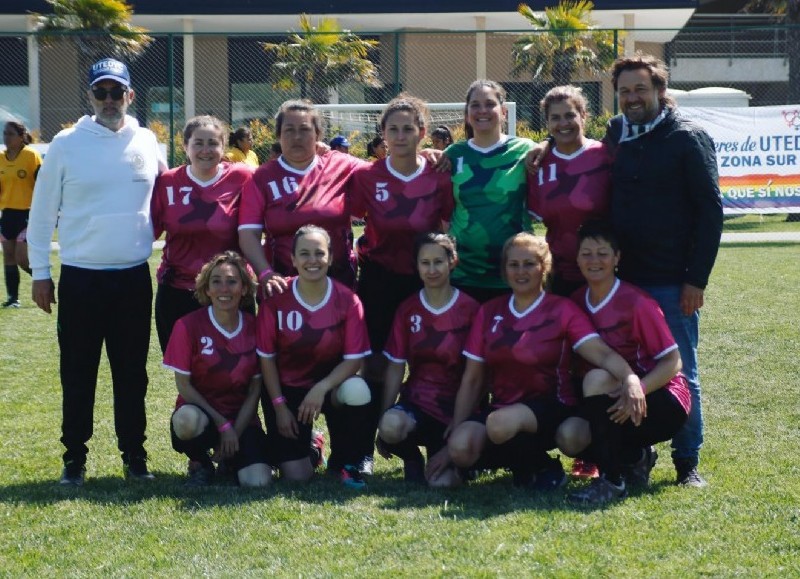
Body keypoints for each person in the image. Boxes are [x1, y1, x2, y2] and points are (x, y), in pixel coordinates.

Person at [27, 57, 166, 486]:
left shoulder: (146, 140)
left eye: (116, 91)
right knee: (78, 371)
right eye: (100, 92)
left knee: (132, 373)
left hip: (131, 277)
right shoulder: (67, 144)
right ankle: (75, 458)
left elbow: (167, 201)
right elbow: (41, 212)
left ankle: (135, 456)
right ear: (90, 96)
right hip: (81, 277)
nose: (109, 100)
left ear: (130, 95)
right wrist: (39, 272)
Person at [440, 233, 644, 489]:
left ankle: (541, 468)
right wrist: (454, 431)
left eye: (529, 264)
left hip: (555, 407)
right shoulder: (489, 311)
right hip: (504, 409)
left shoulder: (562, 309)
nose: (521, 271)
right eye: (514, 264)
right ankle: (536, 466)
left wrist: (629, 377)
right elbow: (472, 379)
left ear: (544, 267)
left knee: (510, 425)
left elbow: (600, 352)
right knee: (462, 447)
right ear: (504, 269)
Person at [607, 54, 722, 487]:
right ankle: (637, 451)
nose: (632, 98)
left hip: (673, 282)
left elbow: (711, 213)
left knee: (680, 370)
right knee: (628, 368)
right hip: (622, 282)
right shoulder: (617, 133)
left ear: (659, 90)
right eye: (624, 91)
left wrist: (697, 279)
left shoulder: (688, 137)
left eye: (640, 89)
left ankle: (687, 462)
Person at [348, 93, 454, 476]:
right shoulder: (365, 176)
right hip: (378, 279)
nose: (401, 135)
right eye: (393, 128)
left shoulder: (439, 174)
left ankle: (436, 438)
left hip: (426, 279)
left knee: (433, 359)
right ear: (383, 135)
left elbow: (446, 224)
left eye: (409, 128)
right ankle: (366, 449)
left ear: (422, 132)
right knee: (375, 365)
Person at [568, 220, 690, 504]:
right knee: (570, 436)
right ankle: (636, 457)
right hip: (614, 393)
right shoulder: (575, 301)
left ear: (617, 258)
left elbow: (673, 361)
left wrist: (639, 388)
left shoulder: (636, 302)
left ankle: (611, 482)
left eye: (602, 253)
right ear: (576, 258)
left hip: (662, 396)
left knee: (596, 380)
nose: (594, 260)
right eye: (586, 253)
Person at [256, 225, 372, 488]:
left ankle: (345, 460)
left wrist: (321, 387)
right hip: (288, 391)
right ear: (293, 259)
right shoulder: (275, 299)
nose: (312, 260)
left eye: (319, 253)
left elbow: (354, 360)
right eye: (304, 254)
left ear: (330, 258)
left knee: (358, 389)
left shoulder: (348, 300)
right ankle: (311, 445)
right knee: (297, 476)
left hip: (330, 388)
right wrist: (279, 406)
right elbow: (267, 359)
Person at [378, 232, 479, 486]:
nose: (432, 269)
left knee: (441, 485)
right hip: (418, 405)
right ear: (417, 266)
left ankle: (460, 460)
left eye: (438, 262)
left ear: (452, 261)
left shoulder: (472, 310)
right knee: (391, 425)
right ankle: (412, 459)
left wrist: (459, 422)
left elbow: (477, 377)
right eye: (425, 263)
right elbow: (395, 368)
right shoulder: (407, 309)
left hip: (457, 410)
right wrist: (382, 419)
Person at [164, 252, 271, 487]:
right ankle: (200, 462)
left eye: (232, 281)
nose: (224, 288)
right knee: (185, 420)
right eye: (216, 282)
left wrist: (234, 430)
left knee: (259, 481)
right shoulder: (187, 326)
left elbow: (254, 390)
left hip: (241, 418)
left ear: (244, 289)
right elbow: (184, 385)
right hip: (203, 415)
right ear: (207, 289)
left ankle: (230, 459)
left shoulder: (255, 327)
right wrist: (222, 423)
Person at [238, 100, 367, 294]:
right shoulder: (261, 178)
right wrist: (265, 273)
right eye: (289, 130)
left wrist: (422, 157)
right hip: (283, 286)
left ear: (318, 135)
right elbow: (248, 235)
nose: (297, 137)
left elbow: (387, 172)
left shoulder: (342, 164)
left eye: (305, 129)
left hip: (340, 284)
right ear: (278, 135)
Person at [151, 115, 254, 352]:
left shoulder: (242, 177)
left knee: (237, 366)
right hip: (178, 289)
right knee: (186, 368)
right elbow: (149, 230)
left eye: (213, 143)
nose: (205, 150)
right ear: (186, 146)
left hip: (231, 290)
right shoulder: (167, 182)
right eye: (198, 143)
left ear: (223, 147)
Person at [446, 80, 536, 303]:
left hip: (514, 273)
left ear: (503, 111)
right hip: (462, 273)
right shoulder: (453, 154)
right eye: (475, 105)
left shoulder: (526, 150)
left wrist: (547, 142)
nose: (482, 110)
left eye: (490, 104)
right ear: (467, 114)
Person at [527, 85, 612, 297]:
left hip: (603, 273)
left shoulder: (605, 156)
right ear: (547, 122)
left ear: (583, 116)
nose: (563, 123)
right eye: (555, 118)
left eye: (569, 115)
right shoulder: (537, 163)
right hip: (558, 276)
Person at [0, 121, 41, 308]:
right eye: (4, 133)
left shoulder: (31, 156)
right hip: (7, 213)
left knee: (21, 258)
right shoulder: (1, 158)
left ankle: (45, 281)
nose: (6, 137)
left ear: (21, 136)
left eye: (10, 134)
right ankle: (12, 299)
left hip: (27, 214)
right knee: (8, 255)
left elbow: (43, 184)